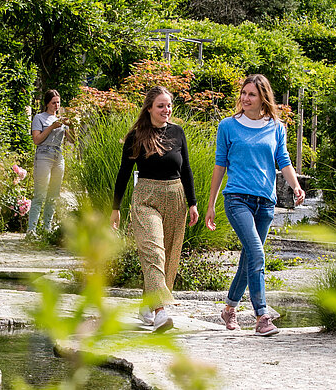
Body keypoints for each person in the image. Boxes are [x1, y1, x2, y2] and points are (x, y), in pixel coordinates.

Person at [204, 74, 305, 336]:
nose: (245, 98)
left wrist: (295, 186)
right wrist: (211, 204)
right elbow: (220, 165)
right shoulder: (228, 126)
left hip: (266, 203)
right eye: (244, 93)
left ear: (263, 98)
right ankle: (262, 316)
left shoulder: (276, 127)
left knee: (249, 257)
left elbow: (283, 161)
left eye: (252, 94)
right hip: (237, 199)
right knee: (258, 254)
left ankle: (229, 308)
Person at [111, 86, 199, 333]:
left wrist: (192, 203)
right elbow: (124, 173)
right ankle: (160, 312)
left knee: (168, 257)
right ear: (149, 108)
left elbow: (186, 170)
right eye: (161, 106)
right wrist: (115, 208)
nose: (166, 110)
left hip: (176, 198)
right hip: (146, 199)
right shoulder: (136, 136)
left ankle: (147, 305)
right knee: (154, 253)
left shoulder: (178, 132)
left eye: (169, 105)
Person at [29, 89, 68, 235]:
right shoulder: (39, 118)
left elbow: (71, 140)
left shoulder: (61, 119)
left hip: (58, 156)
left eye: (58, 102)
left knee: (53, 194)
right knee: (40, 193)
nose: (56, 105)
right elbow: (36, 140)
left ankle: (47, 229)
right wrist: (52, 127)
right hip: (44, 155)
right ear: (47, 103)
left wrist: (70, 126)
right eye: (53, 103)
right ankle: (31, 230)